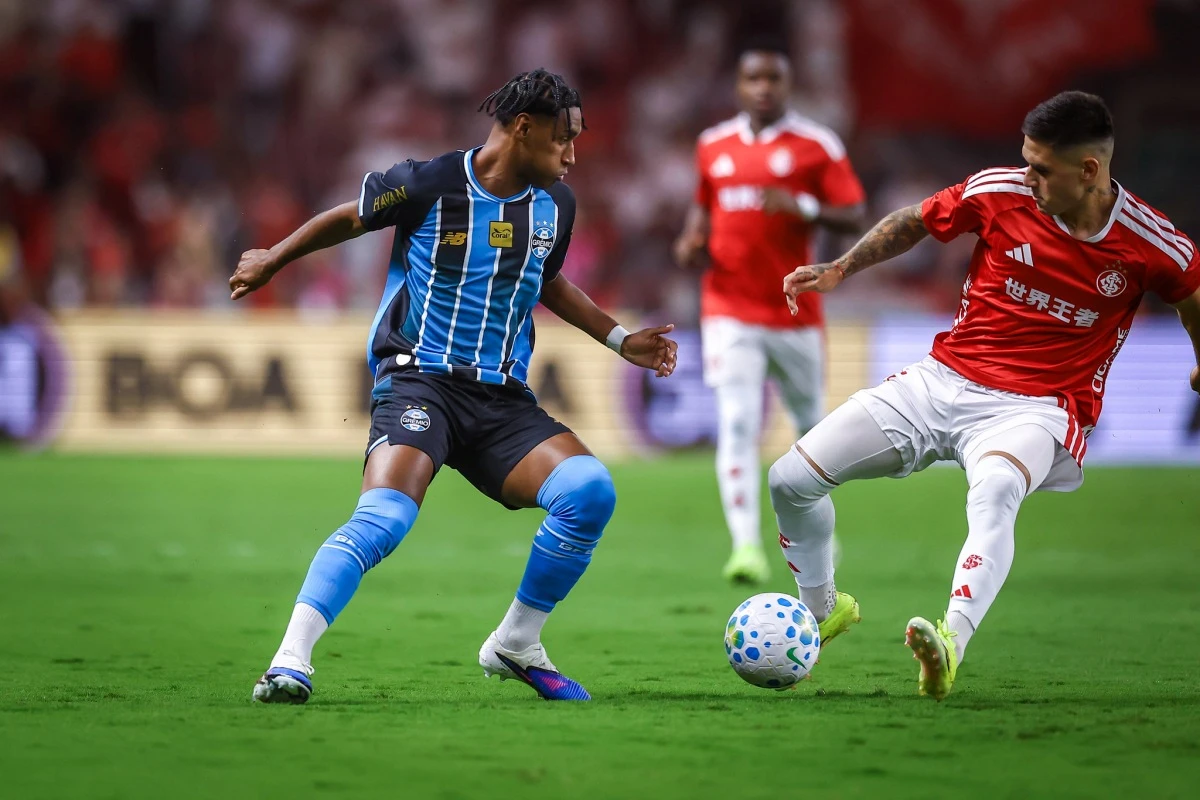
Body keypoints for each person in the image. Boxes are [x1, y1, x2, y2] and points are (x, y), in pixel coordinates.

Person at [231, 70, 678, 704]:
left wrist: (619, 339)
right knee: (384, 516)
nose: (573, 155)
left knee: (589, 491)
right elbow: (348, 219)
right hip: (419, 382)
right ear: (523, 128)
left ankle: (516, 643)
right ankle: (288, 661)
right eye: (563, 138)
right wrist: (272, 258)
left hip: (501, 400)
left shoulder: (557, 206)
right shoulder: (427, 183)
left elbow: (546, 279)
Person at [769, 91, 1200, 700]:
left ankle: (950, 642)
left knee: (996, 492)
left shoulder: (1151, 242)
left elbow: (1191, 298)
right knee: (789, 479)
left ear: (1089, 170)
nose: (1027, 177)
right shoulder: (1000, 191)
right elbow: (914, 221)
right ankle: (821, 609)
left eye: (1041, 168)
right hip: (941, 380)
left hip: (1038, 408)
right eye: (1025, 161)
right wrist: (841, 268)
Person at [673, 46, 866, 585]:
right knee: (737, 422)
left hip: (795, 310)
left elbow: (854, 214)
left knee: (811, 432)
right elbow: (702, 209)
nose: (763, 88)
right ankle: (745, 547)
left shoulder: (816, 145)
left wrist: (802, 207)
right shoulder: (713, 145)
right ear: (738, 85)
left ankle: (820, 538)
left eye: (773, 79)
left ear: (788, 84)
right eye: (752, 78)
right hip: (728, 307)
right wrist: (691, 240)